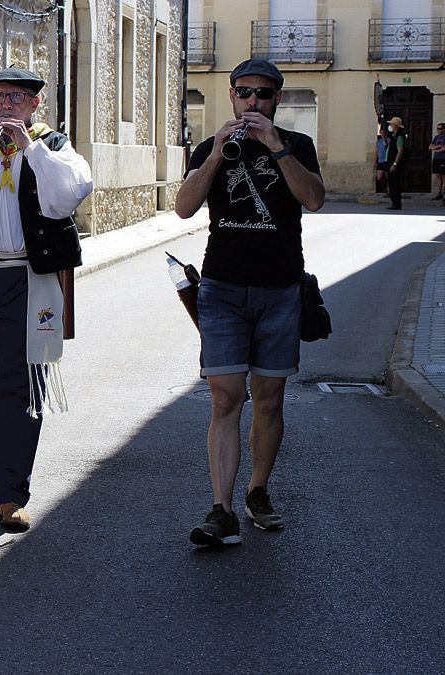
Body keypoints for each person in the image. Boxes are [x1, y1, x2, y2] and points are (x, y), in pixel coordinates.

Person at [174, 58, 324, 547]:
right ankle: (221, 509)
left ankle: (257, 491)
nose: (252, 102)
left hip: (280, 289)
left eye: (262, 94)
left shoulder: (297, 146)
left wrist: (275, 147)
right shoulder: (212, 146)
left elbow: (314, 199)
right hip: (222, 288)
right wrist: (217, 154)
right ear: (233, 96)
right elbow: (184, 207)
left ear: (276, 99)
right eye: (244, 93)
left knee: (269, 397)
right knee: (224, 397)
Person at [0, 68, 92, 531]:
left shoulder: (52, 146)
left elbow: (69, 195)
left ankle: (10, 493)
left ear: (34, 106)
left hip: (27, 277)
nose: (6, 106)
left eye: (17, 98)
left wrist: (30, 149)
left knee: (22, 385)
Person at [385, 116, 407, 210]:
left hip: (394, 163)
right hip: (389, 161)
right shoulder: (393, 135)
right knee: (391, 183)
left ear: (395, 126)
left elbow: (400, 151)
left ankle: (396, 203)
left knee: (395, 184)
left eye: (391, 124)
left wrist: (395, 164)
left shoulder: (399, 136)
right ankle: (394, 202)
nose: (390, 125)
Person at [429, 122, 445, 200]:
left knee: (443, 176)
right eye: (438, 128)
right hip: (436, 159)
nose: (439, 130)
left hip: (443, 159)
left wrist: (437, 148)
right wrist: (439, 146)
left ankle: (443, 192)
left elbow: (444, 149)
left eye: (440, 128)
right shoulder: (436, 137)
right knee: (437, 175)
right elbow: (430, 147)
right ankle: (439, 193)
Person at [375, 124, 389, 194]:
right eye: (381, 132)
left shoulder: (388, 140)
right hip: (380, 161)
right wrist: (376, 159)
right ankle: (384, 187)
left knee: (388, 177)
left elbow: (386, 146)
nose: (382, 134)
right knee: (379, 177)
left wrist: (384, 139)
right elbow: (377, 150)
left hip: (387, 160)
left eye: (384, 132)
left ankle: (388, 189)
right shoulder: (378, 141)